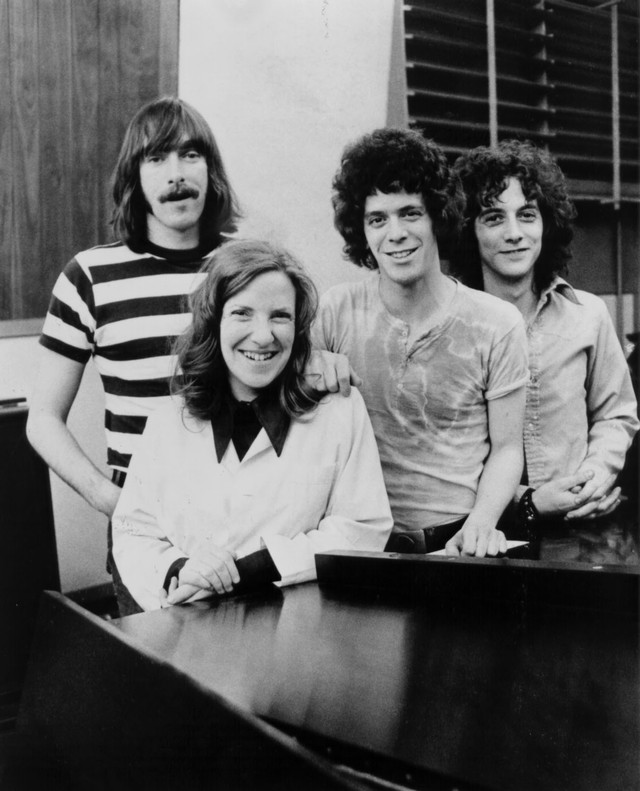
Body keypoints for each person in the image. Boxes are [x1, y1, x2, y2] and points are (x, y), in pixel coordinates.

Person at [27, 96, 351, 614]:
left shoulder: (247, 267)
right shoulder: (88, 276)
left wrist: (323, 362)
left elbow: (287, 359)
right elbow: (43, 419)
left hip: (253, 519)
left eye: (190, 155)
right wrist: (113, 501)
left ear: (211, 169)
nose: (176, 173)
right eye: (156, 158)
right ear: (134, 177)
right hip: (148, 530)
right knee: (156, 661)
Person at [112, 240, 392, 611]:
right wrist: (180, 569)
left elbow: (362, 528)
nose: (263, 336)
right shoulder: (168, 422)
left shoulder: (339, 410)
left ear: (298, 326)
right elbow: (133, 531)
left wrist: (257, 567)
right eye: (242, 313)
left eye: (280, 316)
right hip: (190, 622)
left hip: (295, 624)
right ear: (213, 321)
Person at [313, 128, 530, 557]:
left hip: (454, 546)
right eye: (377, 219)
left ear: (437, 217)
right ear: (361, 229)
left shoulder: (498, 323)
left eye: (410, 213)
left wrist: (481, 524)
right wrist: (310, 369)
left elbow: (507, 450)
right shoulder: (335, 311)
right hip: (357, 546)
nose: (395, 233)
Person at [450, 140, 639, 555]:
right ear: (469, 230)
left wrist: (593, 477)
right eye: (493, 217)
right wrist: (529, 500)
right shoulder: (453, 328)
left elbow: (617, 414)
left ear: (546, 223)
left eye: (527, 215)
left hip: (582, 533)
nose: (514, 233)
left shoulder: (588, 314)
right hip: (484, 535)